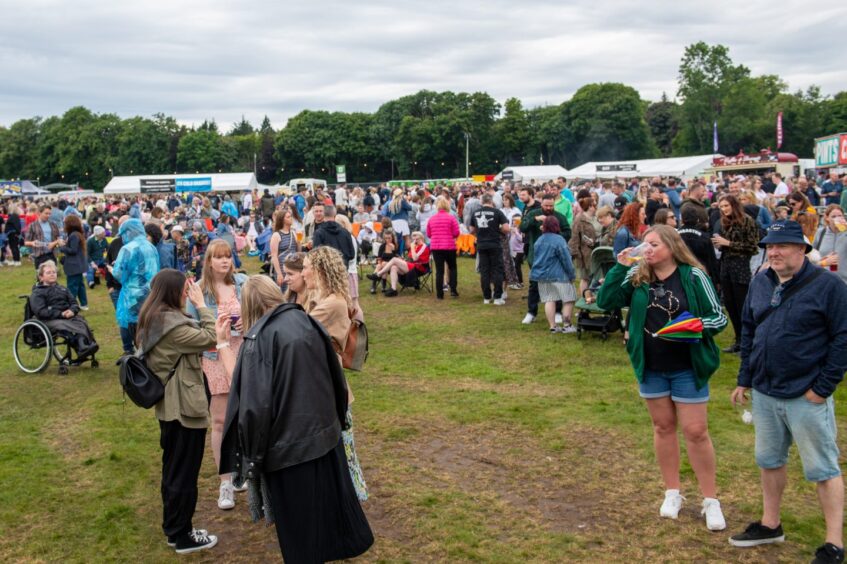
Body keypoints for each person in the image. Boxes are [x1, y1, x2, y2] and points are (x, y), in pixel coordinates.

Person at [216, 276, 373, 562]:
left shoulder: (260, 338)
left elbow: (251, 404)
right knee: (320, 527)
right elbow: (337, 378)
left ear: (250, 304)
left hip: (289, 453)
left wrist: (252, 457)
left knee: (302, 535)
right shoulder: (308, 321)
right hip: (323, 439)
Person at [729, 220, 847, 563]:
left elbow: (843, 338)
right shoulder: (761, 281)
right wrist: (745, 378)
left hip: (806, 394)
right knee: (768, 460)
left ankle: (833, 544)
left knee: (823, 469)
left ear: (802, 249)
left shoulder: (829, 286)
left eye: (781, 246)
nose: (773, 252)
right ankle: (771, 524)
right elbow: (749, 329)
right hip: (765, 392)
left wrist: (823, 388)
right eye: (769, 246)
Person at [597, 225, 728, 532]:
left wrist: (697, 325)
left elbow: (719, 317)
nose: (648, 249)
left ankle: (711, 500)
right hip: (652, 365)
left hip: (687, 365)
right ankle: (673, 492)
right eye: (645, 244)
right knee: (663, 427)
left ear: (672, 246)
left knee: (696, 431)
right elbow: (606, 301)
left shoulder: (693, 276)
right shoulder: (638, 276)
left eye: (654, 244)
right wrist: (620, 266)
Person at [136, 269, 219, 554]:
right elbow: (212, 337)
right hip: (183, 408)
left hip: (169, 408)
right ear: (173, 292)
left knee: (173, 470)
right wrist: (202, 305)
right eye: (185, 289)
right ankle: (183, 536)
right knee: (184, 474)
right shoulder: (174, 326)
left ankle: (175, 529)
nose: (188, 292)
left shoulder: (153, 318)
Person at [302, 247, 369, 502]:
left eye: (307, 266)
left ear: (319, 271)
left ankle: (350, 498)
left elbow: (297, 332)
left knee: (342, 447)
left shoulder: (331, 305)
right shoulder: (329, 299)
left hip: (328, 386)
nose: (303, 271)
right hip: (330, 384)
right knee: (343, 446)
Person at [185, 239, 247, 511]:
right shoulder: (198, 291)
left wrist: (249, 318)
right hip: (214, 357)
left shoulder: (243, 283)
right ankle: (226, 480)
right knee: (220, 420)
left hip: (245, 355)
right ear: (208, 261)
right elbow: (191, 330)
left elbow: (263, 313)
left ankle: (245, 469)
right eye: (219, 257)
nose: (225, 261)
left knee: (247, 416)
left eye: (228, 257)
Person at [711, 195, 759, 354]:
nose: (724, 209)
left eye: (726, 206)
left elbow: (753, 247)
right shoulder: (724, 222)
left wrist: (728, 244)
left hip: (741, 268)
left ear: (733, 205)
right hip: (726, 266)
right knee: (730, 306)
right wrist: (719, 244)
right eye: (721, 207)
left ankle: (748, 341)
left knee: (742, 307)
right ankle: (738, 340)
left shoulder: (747, 220)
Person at [30, 260, 99, 361]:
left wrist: (72, 311)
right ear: (41, 277)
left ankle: (84, 345)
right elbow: (40, 311)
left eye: (54, 272)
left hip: (66, 316)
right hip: (48, 320)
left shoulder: (63, 289)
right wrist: (61, 314)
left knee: (80, 321)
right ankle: (81, 347)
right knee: (66, 325)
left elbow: (74, 303)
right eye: (48, 273)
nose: (52, 274)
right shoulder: (37, 293)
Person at [111, 218, 160, 354]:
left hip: (132, 296)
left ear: (128, 232)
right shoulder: (151, 247)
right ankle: (147, 351)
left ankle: (130, 352)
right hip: (151, 293)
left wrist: (114, 268)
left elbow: (119, 274)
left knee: (128, 323)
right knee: (146, 323)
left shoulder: (127, 249)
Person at [532, 216, 577, 333]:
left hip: (542, 275)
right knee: (569, 299)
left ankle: (553, 326)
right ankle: (567, 325)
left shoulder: (539, 240)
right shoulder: (559, 240)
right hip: (559, 275)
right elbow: (566, 259)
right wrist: (571, 274)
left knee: (549, 299)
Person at [471, 193, 510, 304]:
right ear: (491, 201)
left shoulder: (476, 213)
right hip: (495, 244)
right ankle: (497, 297)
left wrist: (479, 231)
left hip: (482, 245)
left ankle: (486, 298)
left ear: (481, 201)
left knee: (485, 271)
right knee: (497, 270)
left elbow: (471, 229)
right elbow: (506, 228)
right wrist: (498, 229)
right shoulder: (497, 212)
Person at [367, 231, 430, 296]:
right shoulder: (415, 246)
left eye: (417, 239)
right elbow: (410, 258)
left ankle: (378, 275)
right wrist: (403, 260)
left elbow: (415, 258)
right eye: (413, 239)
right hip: (411, 265)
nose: (415, 241)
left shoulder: (423, 246)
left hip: (419, 268)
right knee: (393, 267)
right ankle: (393, 289)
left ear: (421, 238)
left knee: (394, 260)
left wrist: (412, 247)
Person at [426, 197, 460, 300]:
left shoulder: (432, 219)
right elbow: (456, 233)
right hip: (449, 246)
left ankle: (439, 294)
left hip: (436, 247)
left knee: (439, 271)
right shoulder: (451, 218)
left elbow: (428, 234)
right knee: (452, 268)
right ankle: (453, 290)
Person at [569, 196, 599, 298]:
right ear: (589, 206)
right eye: (595, 205)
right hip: (584, 254)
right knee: (585, 278)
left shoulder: (596, 218)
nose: (596, 207)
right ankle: (585, 300)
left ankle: (592, 297)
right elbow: (574, 238)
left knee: (595, 277)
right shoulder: (579, 220)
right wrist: (577, 254)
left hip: (596, 252)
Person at [59, 214, 89, 310]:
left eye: (65, 224)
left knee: (72, 287)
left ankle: (72, 306)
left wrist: (62, 247)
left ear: (70, 224)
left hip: (74, 266)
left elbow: (73, 250)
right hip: (79, 265)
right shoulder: (77, 234)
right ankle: (84, 304)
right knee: (80, 286)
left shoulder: (73, 235)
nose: (64, 226)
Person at [269, 208, 300, 290]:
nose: (291, 218)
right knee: (284, 292)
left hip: (293, 266)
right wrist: (279, 274)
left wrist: (299, 242)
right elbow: (274, 256)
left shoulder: (293, 232)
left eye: (291, 216)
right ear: (282, 220)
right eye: (288, 217)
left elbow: (298, 252)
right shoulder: (276, 235)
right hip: (282, 269)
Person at [24, 204, 63, 270]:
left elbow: (59, 239)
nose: (48, 215)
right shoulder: (33, 225)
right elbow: (26, 242)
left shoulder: (53, 224)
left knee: (52, 276)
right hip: (39, 255)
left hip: (52, 254)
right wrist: (32, 243)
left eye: (49, 214)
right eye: (46, 213)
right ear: (40, 213)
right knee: (40, 277)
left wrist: (54, 243)